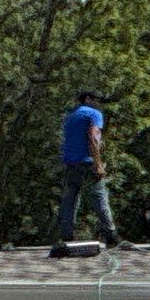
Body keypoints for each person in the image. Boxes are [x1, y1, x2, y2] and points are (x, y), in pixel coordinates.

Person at [56, 90, 121, 250]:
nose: (98, 103)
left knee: (70, 198)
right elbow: (93, 138)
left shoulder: (71, 116)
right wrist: (98, 164)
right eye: (95, 99)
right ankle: (111, 234)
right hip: (87, 162)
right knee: (99, 196)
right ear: (87, 99)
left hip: (71, 162)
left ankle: (67, 234)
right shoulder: (93, 114)